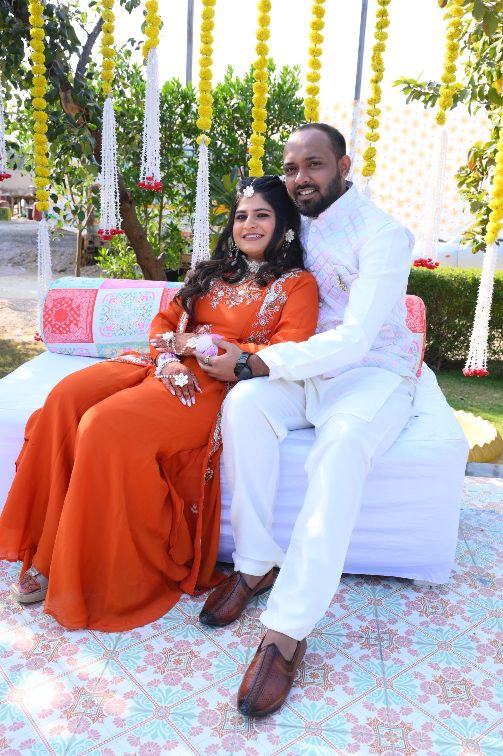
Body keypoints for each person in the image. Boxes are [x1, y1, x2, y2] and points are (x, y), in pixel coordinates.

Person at [0, 175, 318, 632]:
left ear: (283, 224)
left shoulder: (296, 285)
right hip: (161, 364)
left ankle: (65, 564)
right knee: (64, 399)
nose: (248, 224)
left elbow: (289, 348)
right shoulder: (211, 271)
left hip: (210, 385)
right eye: (241, 216)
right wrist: (169, 358)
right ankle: (43, 543)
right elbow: (164, 322)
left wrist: (224, 353)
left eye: (262, 215)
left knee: (103, 425)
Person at [197, 123, 417, 717]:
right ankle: (254, 565)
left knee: (339, 449)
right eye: (291, 168)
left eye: (314, 165)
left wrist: (258, 362)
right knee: (245, 406)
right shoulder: (301, 220)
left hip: (371, 374)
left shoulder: (383, 236)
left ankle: (286, 632)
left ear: (344, 166)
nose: (300, 179)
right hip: (305, 372)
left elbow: (357, 338)